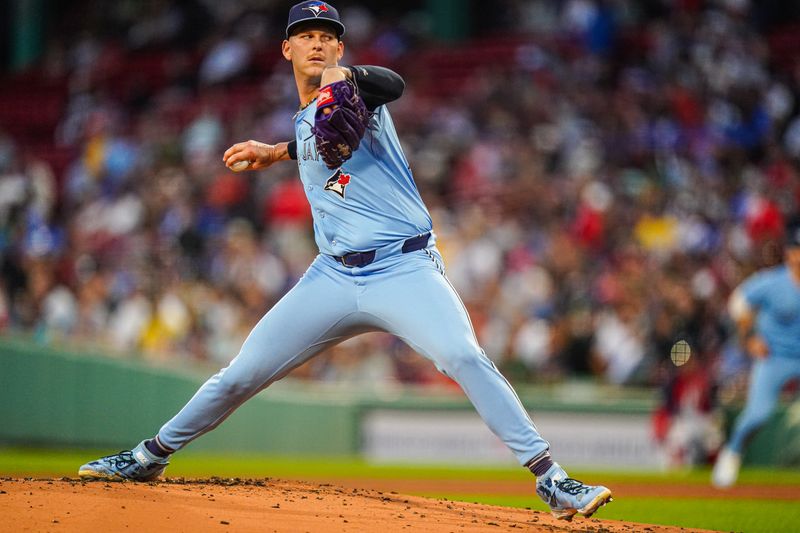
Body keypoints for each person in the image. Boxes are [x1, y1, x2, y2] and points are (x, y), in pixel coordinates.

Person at [79, 1, 613, 521]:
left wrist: (347, 74)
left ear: (339, 47)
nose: (317, 41)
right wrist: (277, 151)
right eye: (306, 35)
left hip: (404, 269)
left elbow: (392, 85)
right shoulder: (306, 118)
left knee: (462, 355)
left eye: (327, 35)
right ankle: (148, 457)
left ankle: (552, 478)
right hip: (332, 275)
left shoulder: (359, 91)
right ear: (286, 48)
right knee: (239, 375)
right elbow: (318, 138)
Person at [712, 216, 800, 488]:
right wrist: (749, 337)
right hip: (775, 356)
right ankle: (733, 452)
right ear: (789, 252)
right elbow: (738, 303)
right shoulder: (773, 282)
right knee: (758, 413)